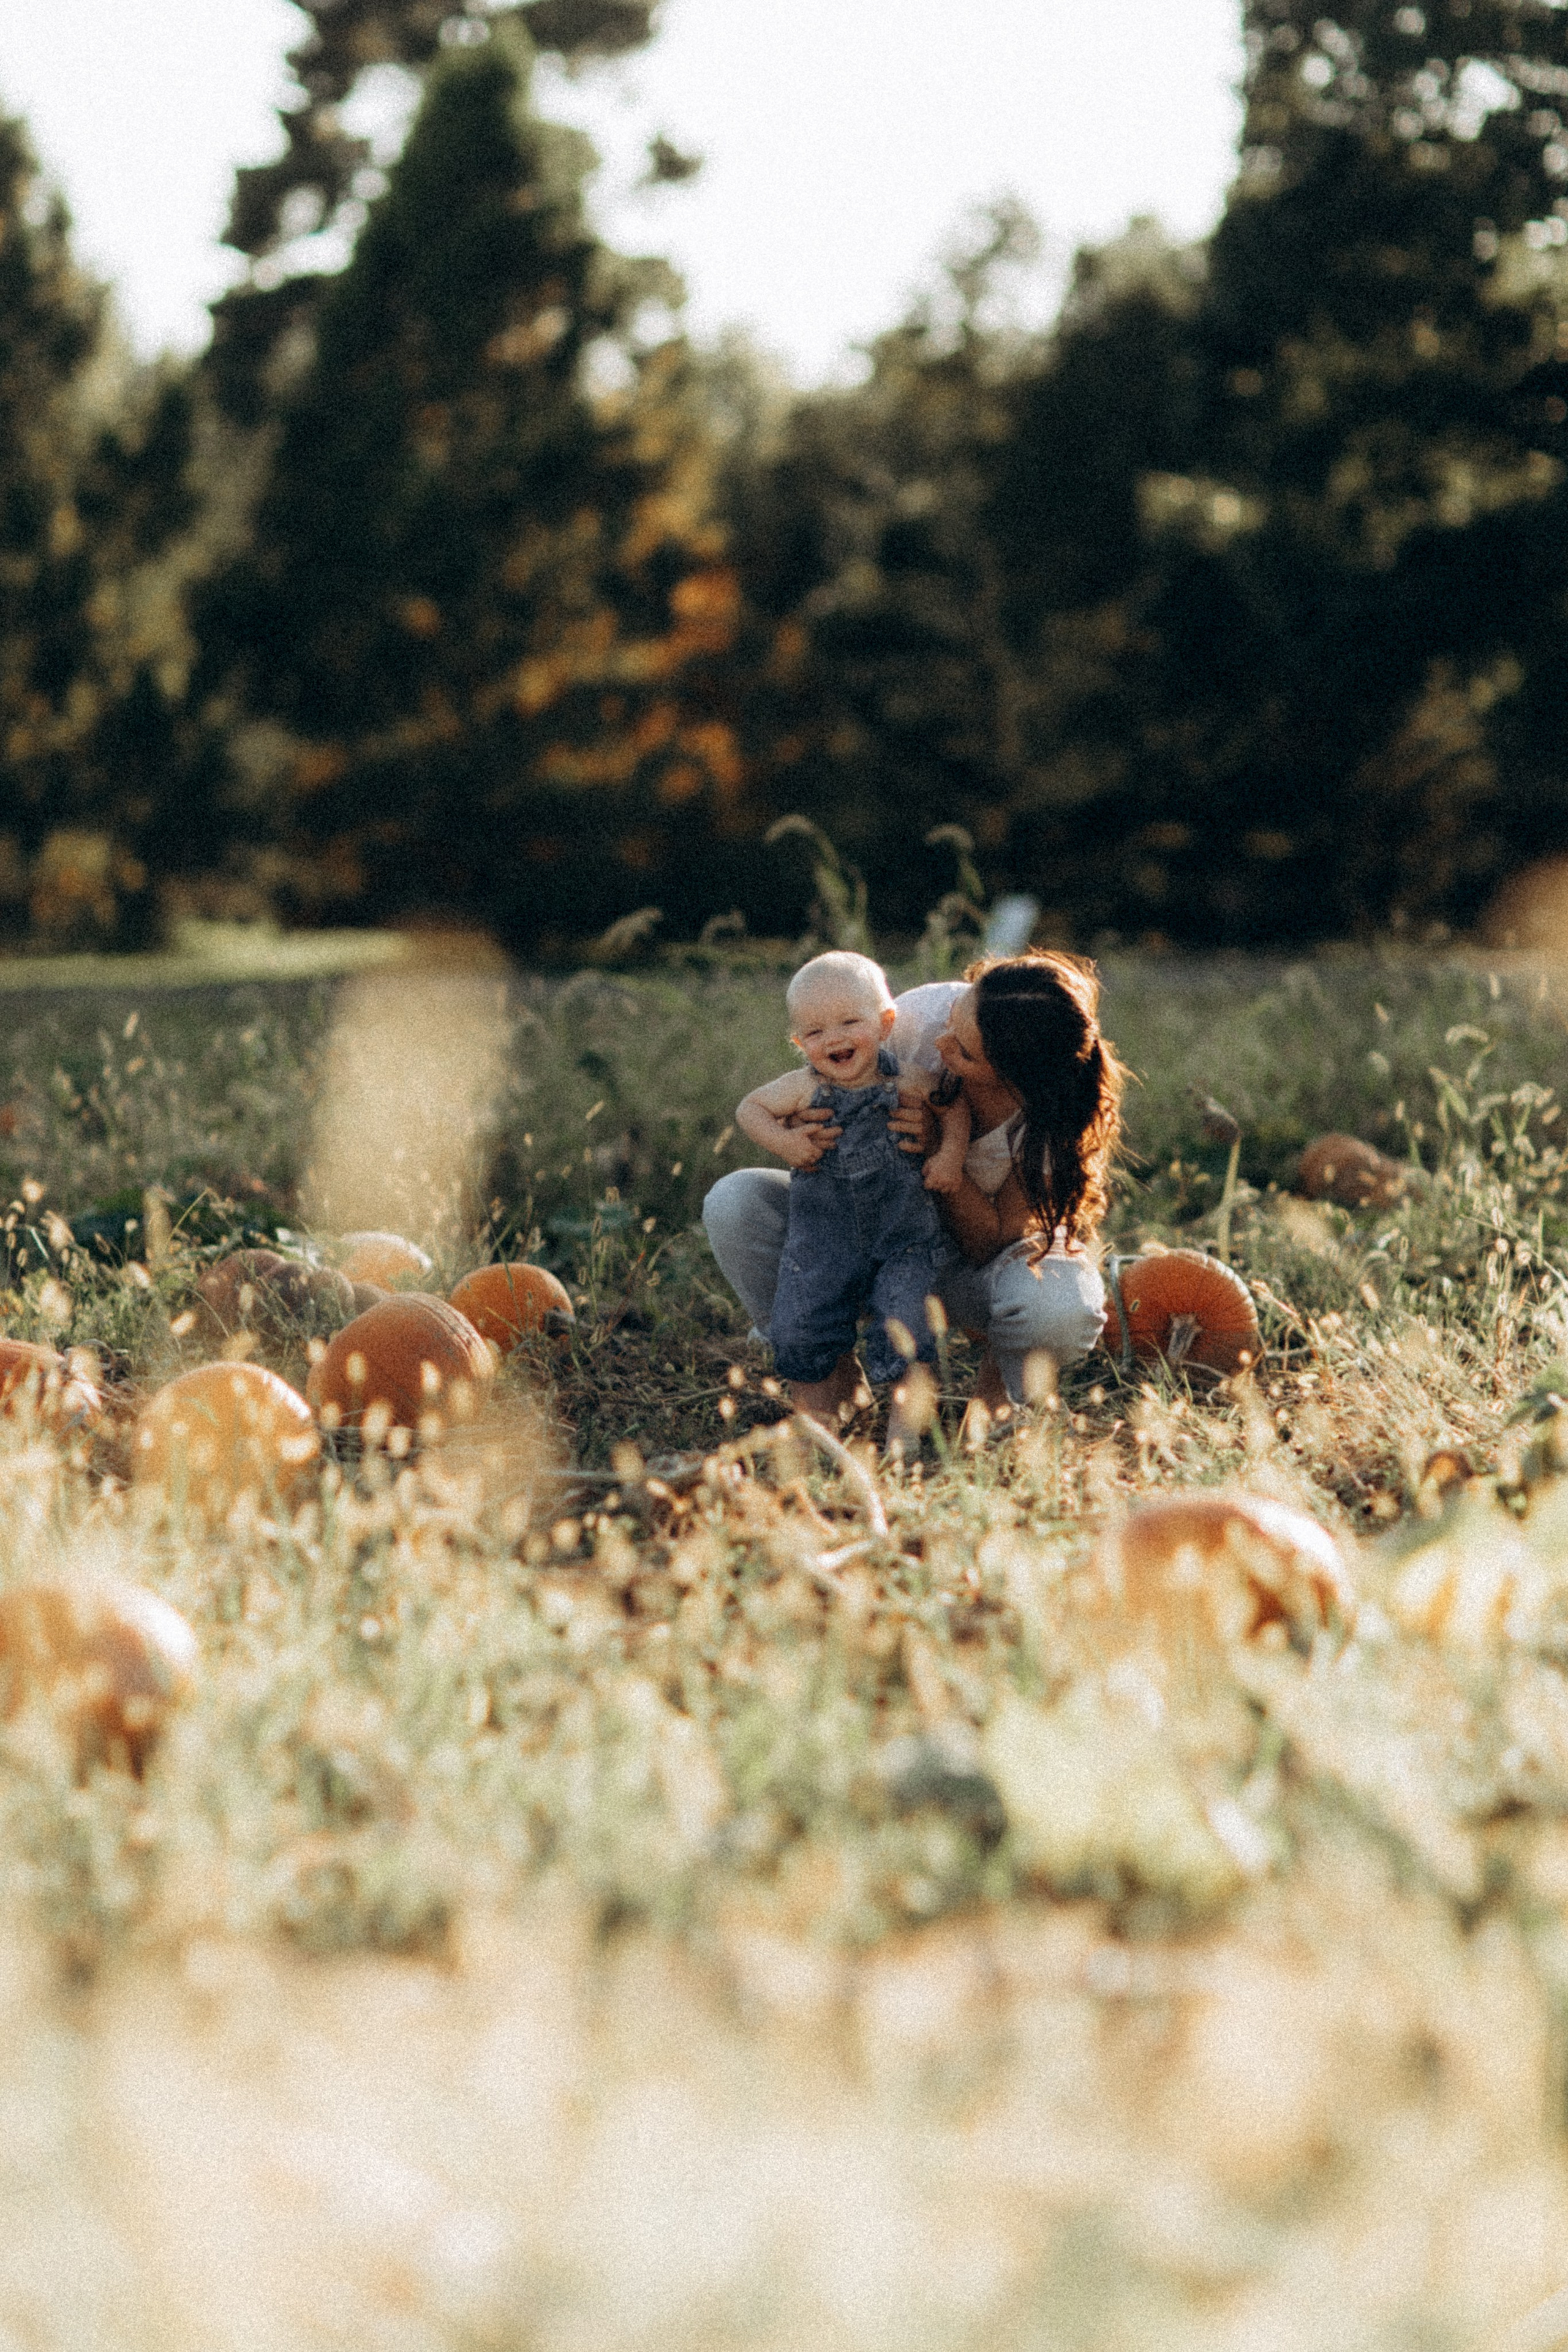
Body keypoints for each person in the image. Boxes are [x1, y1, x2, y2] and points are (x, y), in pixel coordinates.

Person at [705, 951, 1125, 1425]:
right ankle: (832, 1373)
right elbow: (828, 1076)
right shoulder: (919, 1017)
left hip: (967, 1270)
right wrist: (804, 1127)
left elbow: (990, 1240)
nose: (941, 1042)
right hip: (861, 1239)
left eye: (964, 1051)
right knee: (736, 1202)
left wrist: (936, 1149)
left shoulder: (1055, 1114)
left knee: (1060, 1305)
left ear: (1012, 1077)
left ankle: (998, 1400)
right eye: (953, 1018)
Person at [734, 951, 970, 1396]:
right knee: (805, 1321)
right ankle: (819, 1414)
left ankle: (908, 1428)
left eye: (848, 1023)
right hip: (823, 1240)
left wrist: (950, 1154)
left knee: (907, 1320)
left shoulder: (908, 1079)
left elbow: (952, 1104)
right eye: (815, 1032)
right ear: (800, 1043)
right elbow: (750, 1109)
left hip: (904, 1239)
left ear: (884, 1024)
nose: (833, 1039)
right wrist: (786, 1142)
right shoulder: (804, 1087)